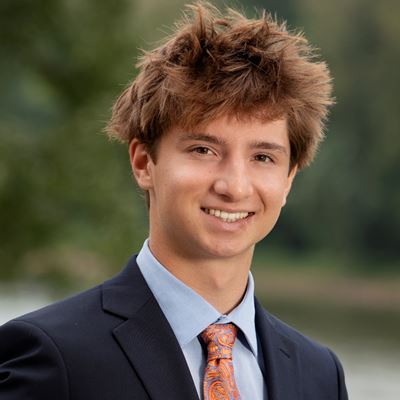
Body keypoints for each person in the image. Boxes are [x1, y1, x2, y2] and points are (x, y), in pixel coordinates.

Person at [0, 2, 348, 399]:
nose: (234, 187)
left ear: (288, 179)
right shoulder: (53, 358)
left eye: (263, 157)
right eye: (203, 150)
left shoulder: (320, 375)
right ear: (143, 162)